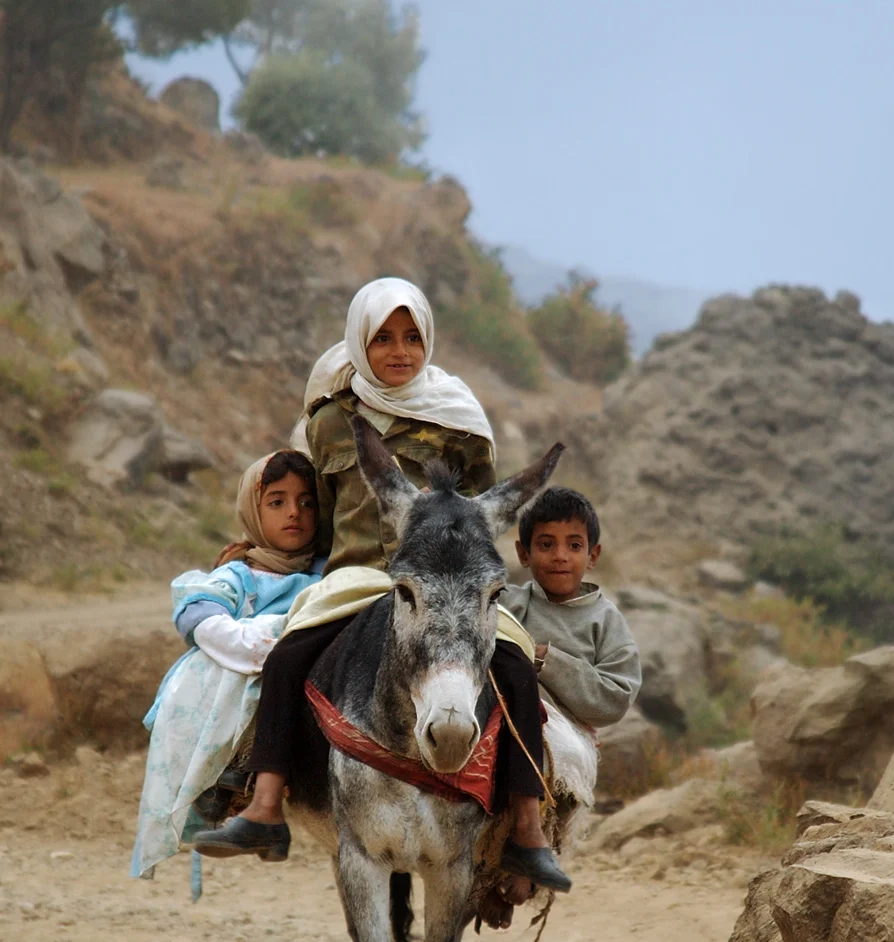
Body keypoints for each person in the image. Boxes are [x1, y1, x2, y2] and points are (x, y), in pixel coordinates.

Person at [193, 278, 570, 895]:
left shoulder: (464, 424)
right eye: (383, 338)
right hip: (352, 577)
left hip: (445, 581)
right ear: (358, 343)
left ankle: (528, 830)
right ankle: (262, 805)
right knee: (287, 657)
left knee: (517, 667)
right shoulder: (327, 420)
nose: (400, 351)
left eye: (412, 337)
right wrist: (267, 559)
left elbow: (481, 517)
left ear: (429, 341)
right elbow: (315, 509)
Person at [130, 450, 323, 884]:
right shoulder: (241, 573)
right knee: (212, 672)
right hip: (252, 669)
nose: (295, 513)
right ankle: (228, 779)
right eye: (277, 502)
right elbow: (198, 614)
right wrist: (255, 642)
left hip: (304, 671)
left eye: (307, 501)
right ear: (252, 512)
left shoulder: (329, 574)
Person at [502, 487, 641, 730]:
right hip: (501, 728)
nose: (560, 556)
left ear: (592, 556)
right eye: (546, 544)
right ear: (524, 554)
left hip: (570, 743)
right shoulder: (505, 603)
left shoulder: (605, 619)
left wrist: (547, 660)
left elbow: (617, 698)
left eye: (574, 546)